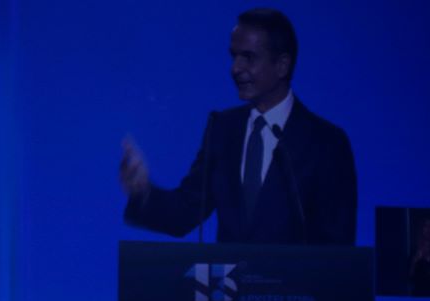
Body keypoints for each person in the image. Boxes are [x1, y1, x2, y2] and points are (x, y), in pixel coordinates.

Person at [120, 8, 357, 245]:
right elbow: (185, 211)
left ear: (282, 65)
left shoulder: (327, 143)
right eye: (234, 56)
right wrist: (142, 191)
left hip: (298, 272)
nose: (235, 68)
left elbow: (337, 245)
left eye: (248, 57)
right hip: (229, 271)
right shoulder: (223, 129)